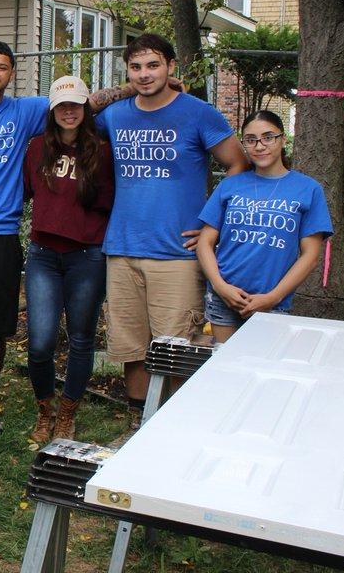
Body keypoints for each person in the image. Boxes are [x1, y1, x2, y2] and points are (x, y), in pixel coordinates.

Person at [0, 40, 130, 434]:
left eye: (1, 66)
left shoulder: (27, 111)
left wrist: (135, 88)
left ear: (11, 73)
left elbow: (89, 103)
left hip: (1, 234)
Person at [97, 34, 247, 425]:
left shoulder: (198, 113)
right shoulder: (116, 116)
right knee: (132, 348)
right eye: (136, 67)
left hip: (177, 254)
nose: (145, 74)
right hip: (123, 248)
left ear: (171, 67)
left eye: (153, 65)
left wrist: (212, 224)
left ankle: (173, 425)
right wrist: (124, 90)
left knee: (176, 348)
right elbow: (77, 109)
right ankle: (136, 422)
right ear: (127, 71)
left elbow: (238, 165)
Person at [22, 76, 114, 442]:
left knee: (80, 338)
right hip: (43, 254)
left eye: (76, 104)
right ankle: (45, 408)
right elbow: (28, 193)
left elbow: (109, 202)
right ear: (52, 110)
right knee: (40, 341)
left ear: (85, 108)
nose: (69, 111)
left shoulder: (102, 151)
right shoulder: (36, 148)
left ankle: (67, 414)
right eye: (62, 105)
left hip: (87, 256)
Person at [196, 111, 332, 342]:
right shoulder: (231, 185)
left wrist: (273, 297)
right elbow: (204, 243)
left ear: (283, 139)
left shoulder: (308, 189)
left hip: (271, 301)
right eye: (251, 139)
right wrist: (220, 286)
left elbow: (310, 255)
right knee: (224, 369)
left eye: (268, 137)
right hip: (225, 297)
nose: (260, 146)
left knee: (262, 370)